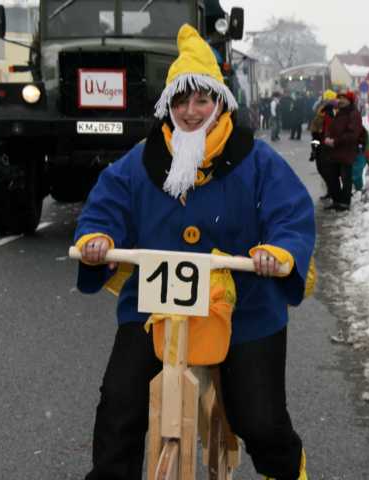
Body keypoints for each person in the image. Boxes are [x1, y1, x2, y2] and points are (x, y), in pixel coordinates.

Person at [73, 24, 314, 480]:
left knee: (260, 420)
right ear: (168, 107)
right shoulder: (141, 159)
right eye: (181, 102)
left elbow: (291, 214)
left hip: (245, 307)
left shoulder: (256, 160)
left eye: (201, 100)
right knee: (119, 408)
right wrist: (97, 239)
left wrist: (279, 250)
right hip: (155, 310)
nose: (190, 111)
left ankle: (287, 473)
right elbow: (105, 205)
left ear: (219, 102)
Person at [323, 90, 361, 211]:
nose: (341, 100)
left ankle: (344, 203)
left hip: (346, 150)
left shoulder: (354, 113)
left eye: (344, 98)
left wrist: (336, 141)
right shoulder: (339, 112)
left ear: (350, 100)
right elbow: (331, 127)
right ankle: (337, 200)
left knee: (345, 178)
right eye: (340, 98)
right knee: (332, 177)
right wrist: (327, 137)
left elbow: (353, 133)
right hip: (335, 150)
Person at [309, 89, 337, 201]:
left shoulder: (331, 112)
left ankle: (332, 192)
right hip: (319, 141)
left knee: (326, 170)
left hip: (324, 144)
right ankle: (331, 191)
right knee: (322, 169)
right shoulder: (323, 109)